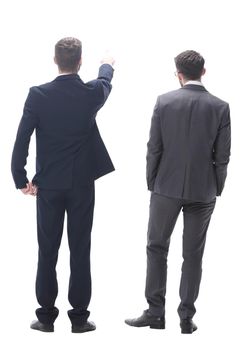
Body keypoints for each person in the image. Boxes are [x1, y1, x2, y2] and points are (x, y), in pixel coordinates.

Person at [11, 37, 115, 333]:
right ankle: (79, 319)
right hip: (82, 185)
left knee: (47, 250)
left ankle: (45, 318)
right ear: (80, 62)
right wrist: (107, 64)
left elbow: (21, 140)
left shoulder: (38, 95)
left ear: (55, 60)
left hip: (49, 187)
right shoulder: (90, 93)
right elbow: (105, 82)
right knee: (80, 249)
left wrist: (21, 179)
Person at [125, 50, 231, 334]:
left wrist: (152, 181)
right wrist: (216, 187)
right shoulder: (221, 107)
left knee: (156, 247)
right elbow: (222, 157)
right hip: (203, 190)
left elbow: (154, 148)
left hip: (165, 187)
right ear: (203, 72)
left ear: (178, 74)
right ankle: (186, 318)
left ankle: (155, 313)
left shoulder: (164, 102)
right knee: (193, 254)